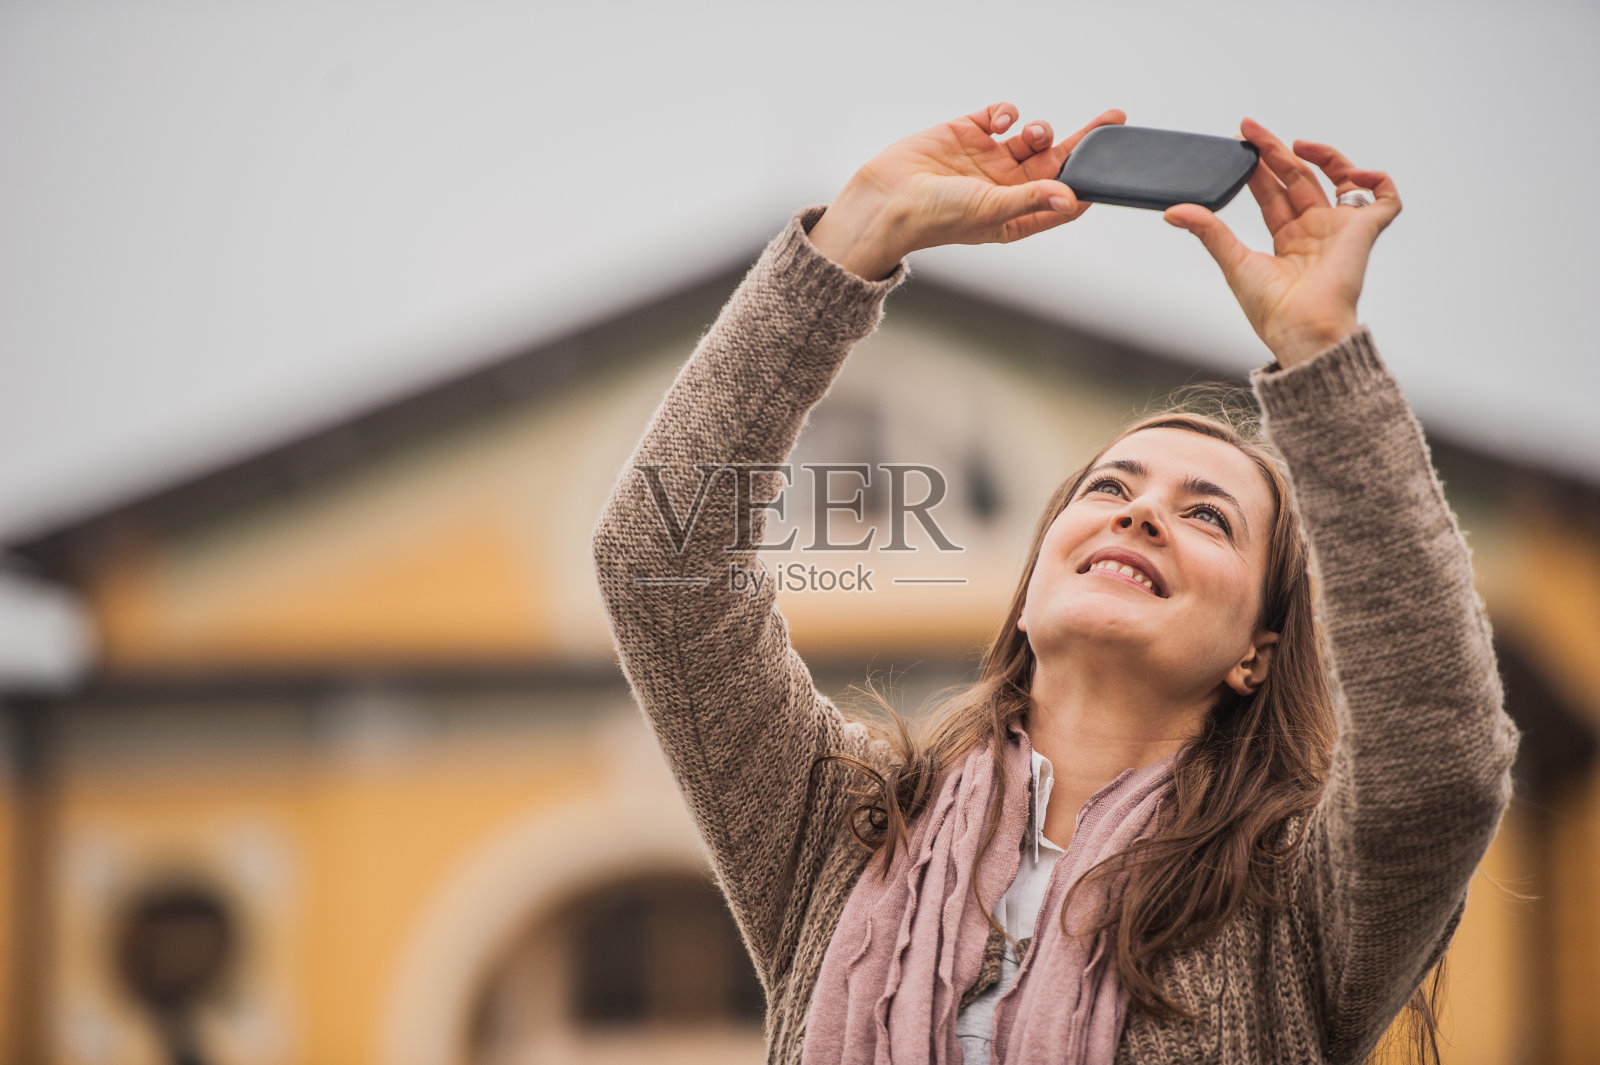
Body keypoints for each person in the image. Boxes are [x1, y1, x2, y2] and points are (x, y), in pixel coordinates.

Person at [590, 101, 1520, 1065]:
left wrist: (1322, 350)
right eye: (1110, 487)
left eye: (1207, 515)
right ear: (1029, 590)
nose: (1140, 512)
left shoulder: (1296, 894)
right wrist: (857, 234)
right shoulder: (841, 826)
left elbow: (1439, 758)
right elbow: (662, 567)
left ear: (1258, 653)